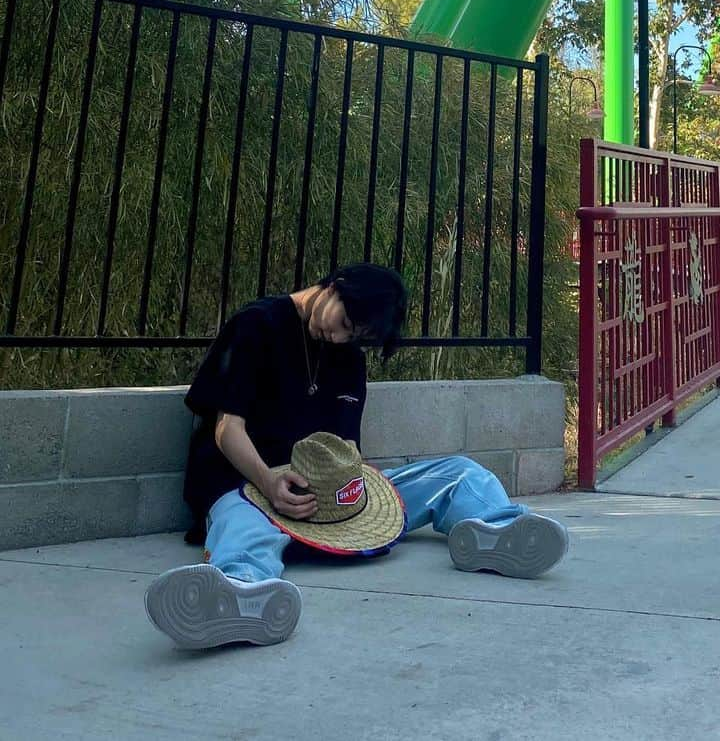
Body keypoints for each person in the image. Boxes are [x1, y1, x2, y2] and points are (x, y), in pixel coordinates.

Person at [145, 264, 569, 650]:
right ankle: (240, 589)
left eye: (355, 336)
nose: (340, 338)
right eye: (345, 323)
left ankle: (496, 531)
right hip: (248, 485)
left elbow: (347, 449)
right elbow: (226, 430)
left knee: (458, 473)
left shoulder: (348, 354)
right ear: (335, 287)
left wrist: (368, 486)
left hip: (332, 502)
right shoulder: (255, 325)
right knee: (245, 525)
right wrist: (269, 480)